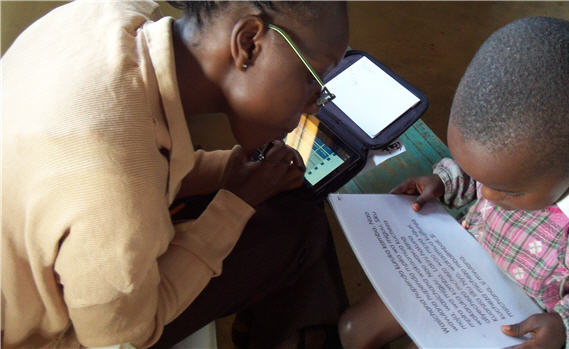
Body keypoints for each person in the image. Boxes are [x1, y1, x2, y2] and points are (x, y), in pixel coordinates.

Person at [1, 1, 350, 348]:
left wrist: (227, 172)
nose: (314, 103)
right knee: (297, 226)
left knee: (289, 199)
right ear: (248, 43)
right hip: (56, 337)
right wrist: (235, 205)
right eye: (312, 78)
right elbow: (122, 337)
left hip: (53, 257)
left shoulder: (101, 16)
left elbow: (148, 163)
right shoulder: (112, 181)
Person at [338, 16, 569, 349]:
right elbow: (486, 171)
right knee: (353, 329)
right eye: (480, 178)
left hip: (530, 320)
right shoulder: (520, 157)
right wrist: (445, 181)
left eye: (508, 190)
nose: (485, 194)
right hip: (466, 261)